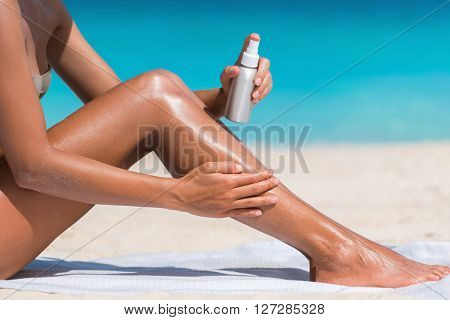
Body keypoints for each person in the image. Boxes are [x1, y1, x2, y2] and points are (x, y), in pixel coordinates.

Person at [0, 0, 448, 287]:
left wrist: (223, 96)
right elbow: (31, 166)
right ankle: (341, 253)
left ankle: (340, 250)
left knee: (159, 88)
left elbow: (124, 109)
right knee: (158, 88)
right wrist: (176, 195)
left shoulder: (45, 8)